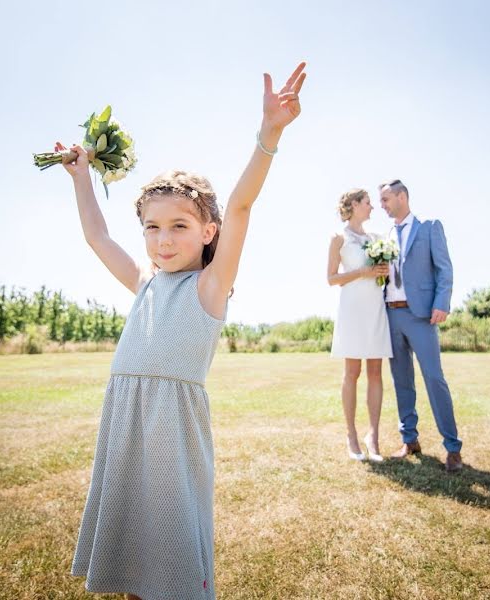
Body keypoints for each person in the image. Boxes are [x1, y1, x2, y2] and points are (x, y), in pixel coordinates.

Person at [61, 62, 306, 599]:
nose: (162, 240)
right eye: (151, 227)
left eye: (178, 226)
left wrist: (268, 136)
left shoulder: (210, 286)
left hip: (173, 429)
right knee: (130, 549)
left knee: (171, 551)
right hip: (126, 419)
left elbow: (241, 205)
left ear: (207, 232)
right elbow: (98, 236)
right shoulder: (145, 280)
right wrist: (82, 178)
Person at [379, 179, 463, 473]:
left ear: (402, 196)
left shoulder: (429, 227)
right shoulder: (385, 235)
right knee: (401, 381)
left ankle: (452, 447)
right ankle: (409, 439)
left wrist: (442, 302)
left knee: (434, 379)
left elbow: (444, 268)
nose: (382, 205)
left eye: (386, 199)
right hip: (391, 314)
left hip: (422, 316)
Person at [327, 189, 392, 462]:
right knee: (352, 372)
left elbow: (384, 275)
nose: (372, 208)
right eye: (367, 203)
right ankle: (351, 435)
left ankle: (373, 436)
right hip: (352, 310)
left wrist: (384, 272)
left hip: (375, 307)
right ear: (354, 205)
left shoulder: (377, 239)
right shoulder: (338, 238)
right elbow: (331, 278)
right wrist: (364, 272)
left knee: (375, 372)